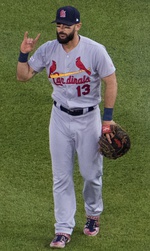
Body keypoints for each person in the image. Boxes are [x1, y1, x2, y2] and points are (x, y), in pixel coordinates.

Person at [17, 6, 117, 249]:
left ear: (78, 26)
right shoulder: (49, 49)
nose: (61, 30)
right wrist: (23, 54)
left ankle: (93, 214)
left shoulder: (95, 51)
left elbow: (110, 81)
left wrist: (107, 120)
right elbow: (24, 76)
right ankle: (63, 228)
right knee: (61, 176)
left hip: (88, 118)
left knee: (91, 174)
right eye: (59, 25)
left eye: (66, 26)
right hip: (60, 118)